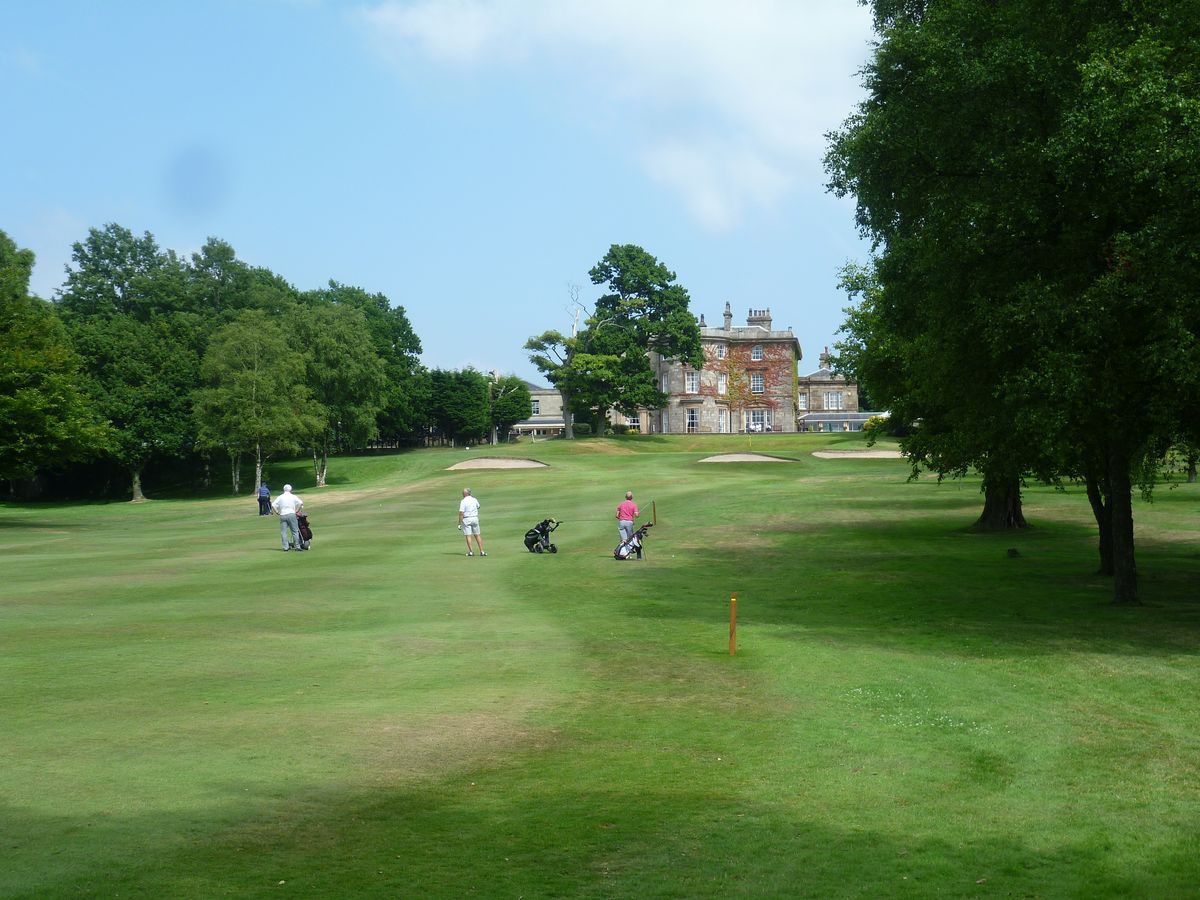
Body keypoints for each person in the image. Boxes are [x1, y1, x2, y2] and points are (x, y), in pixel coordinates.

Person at [271, 483, 304, 551]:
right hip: (291, 514)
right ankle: (297, 546)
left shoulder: (280, 497)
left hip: (283, 515)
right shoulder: (293, 496)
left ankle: (285, 547)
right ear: (290, 489)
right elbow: (301, 503)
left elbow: (273, 505)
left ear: (284, 489)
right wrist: (297, 510)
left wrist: (277, 512)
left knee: (284, 532)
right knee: (295, 531)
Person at [458, 487, 486, 557]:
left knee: (468, 535)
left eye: (463, 493)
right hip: (475, 518)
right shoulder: (474, 499)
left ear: (465, 494)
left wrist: (459, 523)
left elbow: (461, 513)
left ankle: (471, 552)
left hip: (467, 519)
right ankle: (482, 551)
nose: (462, 494)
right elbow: (478, 507)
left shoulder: (463, 501)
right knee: (477, 535)